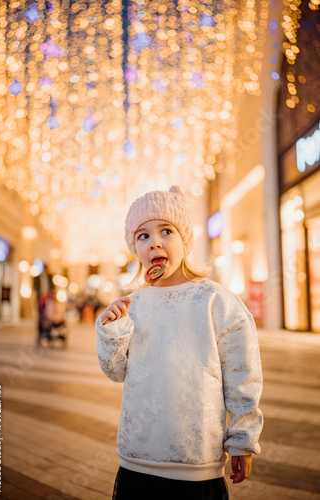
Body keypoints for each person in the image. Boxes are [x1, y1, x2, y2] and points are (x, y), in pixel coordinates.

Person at [96, 187, 263, 500]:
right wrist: (112, 331)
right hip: (138, 458)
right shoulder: (134, 305)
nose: (155, 241)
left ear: (185, 239)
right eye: (143, 236)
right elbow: (116, 371)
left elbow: (243, 373)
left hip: (196, 462)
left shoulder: (216, 301)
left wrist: (242, 437)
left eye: (166, 230)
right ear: (135, 249)